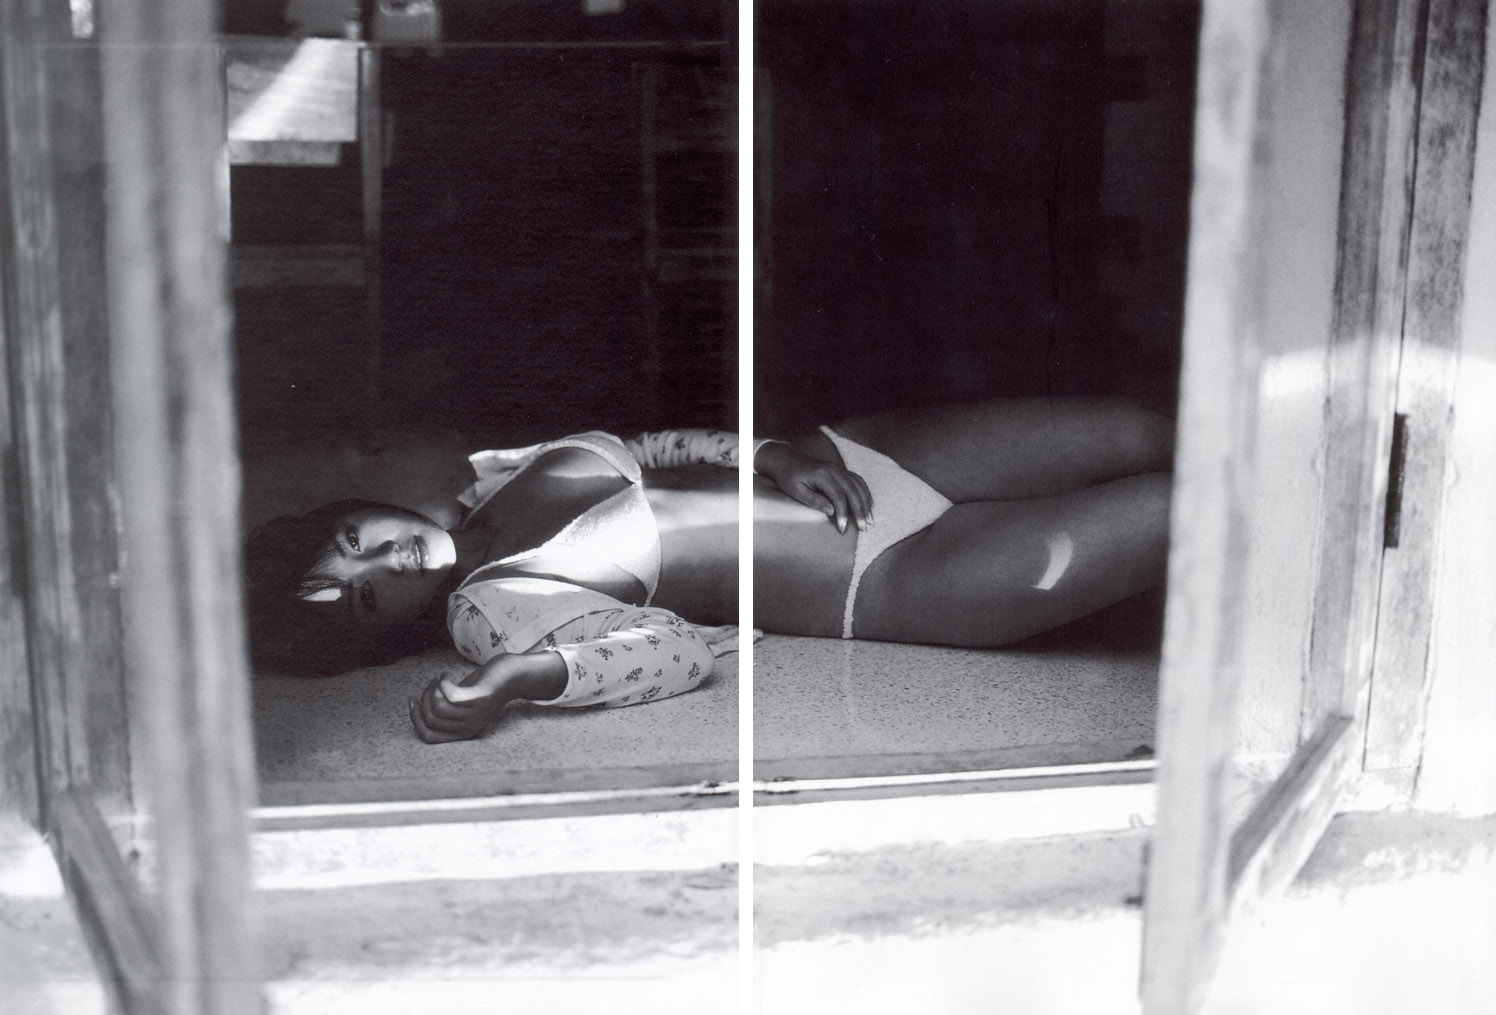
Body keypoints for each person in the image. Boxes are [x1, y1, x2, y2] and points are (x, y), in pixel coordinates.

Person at [245, 399, 1172, 743]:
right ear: (383, 635)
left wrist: (769, 453)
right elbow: (672, 651)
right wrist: (518, 679)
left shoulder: (489, 477)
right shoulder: (491, 610)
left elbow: (651, 446)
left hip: (862, 456)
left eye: (356, 539)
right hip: (896, 571)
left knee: (1150, 426)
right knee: (1189, 501)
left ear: (351, 507)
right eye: (369, 594)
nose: (388, 558)